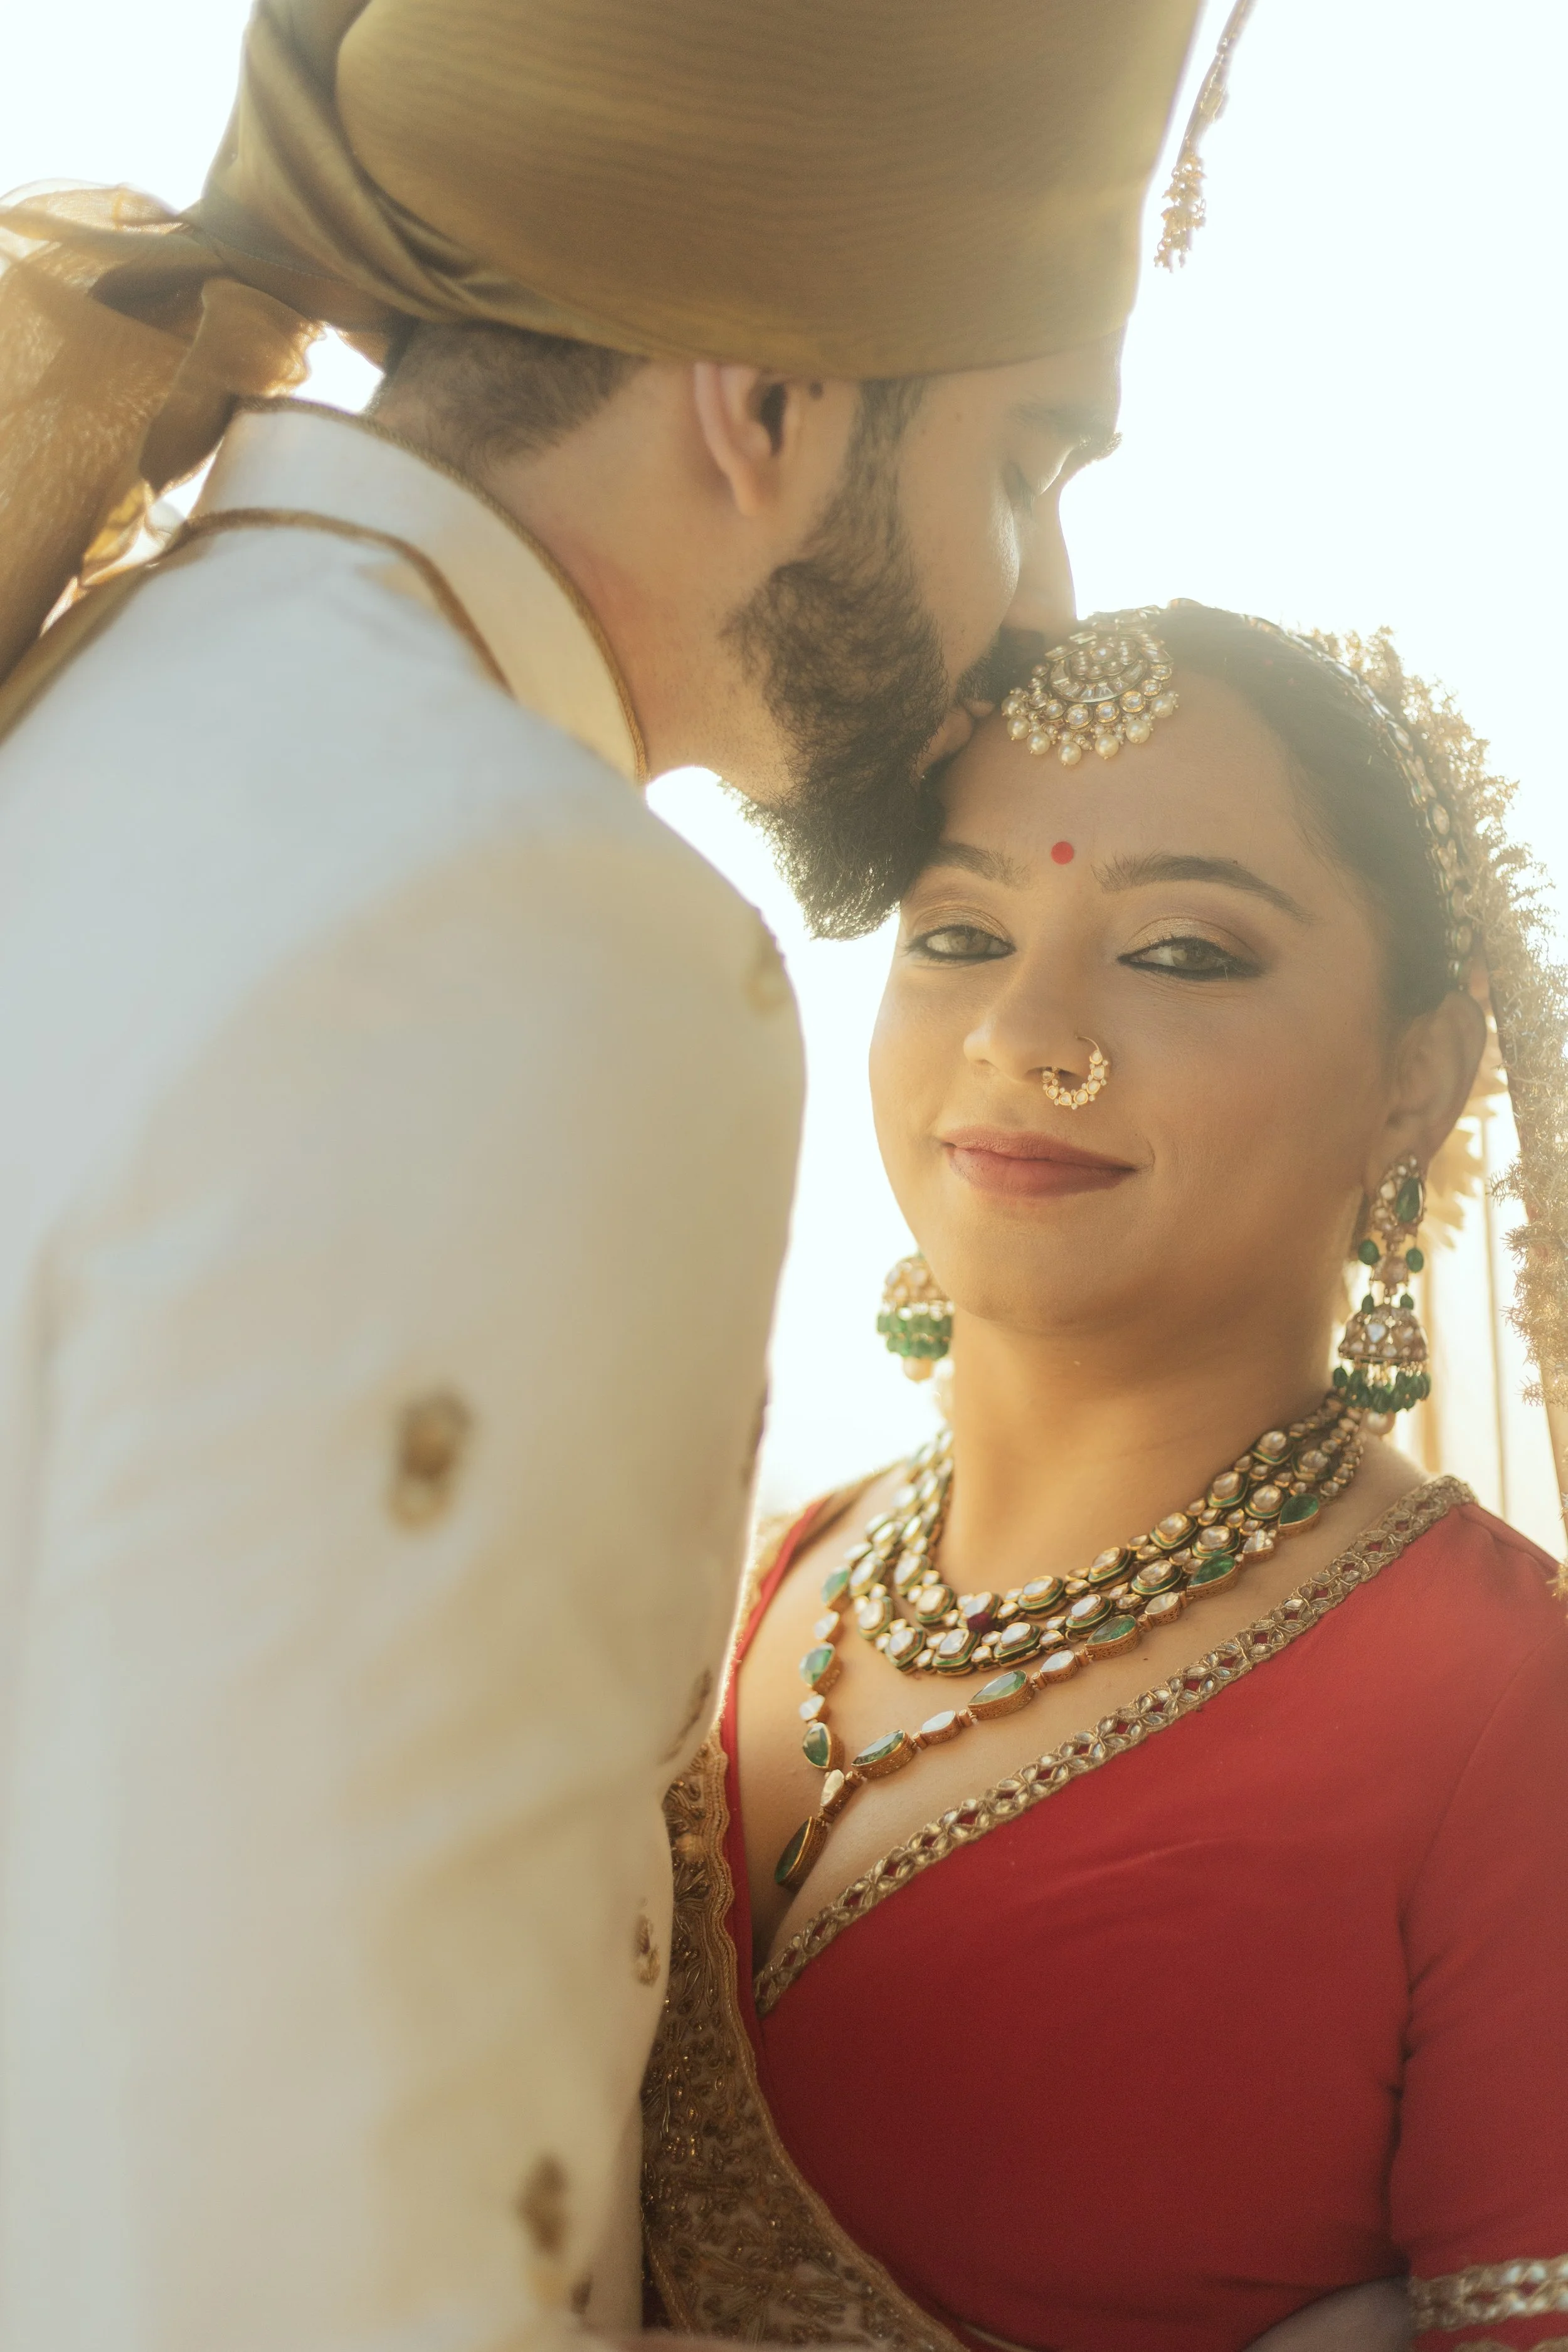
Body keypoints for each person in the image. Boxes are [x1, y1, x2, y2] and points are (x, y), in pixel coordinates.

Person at [0, 7, 1212, 2349]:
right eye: (1025, 460)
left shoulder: (122, 706)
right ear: (762, 399)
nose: (1044, 595)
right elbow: (307, 2202)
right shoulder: (526, 924)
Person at [642, 606, 1568, 2352]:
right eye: (963, 931)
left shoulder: (1510, 1708)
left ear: (1410, 1078)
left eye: (1184, 953)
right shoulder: (744, 1586)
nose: (1024, 1034)